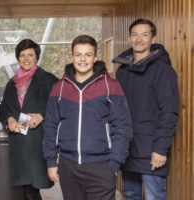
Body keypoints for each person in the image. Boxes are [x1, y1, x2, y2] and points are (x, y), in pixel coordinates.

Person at [43, 35, 133, 199]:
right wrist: (51, 161)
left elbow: (123, 126)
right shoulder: (59, 87)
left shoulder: (110, 85)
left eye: (88, 54)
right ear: (72, 57)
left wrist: (114, 164)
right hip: (68, 165)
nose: (82, 59)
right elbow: (50, 126)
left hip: (102, 166)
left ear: (95, 57)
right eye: (78, 54)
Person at [113, 18, 179, 200]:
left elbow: (169, 112)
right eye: (134, 34)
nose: (139, 39)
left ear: (153, 38)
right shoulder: (122, 72)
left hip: (152, 152)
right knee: (130, 194)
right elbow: (117, 111)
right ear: (129, 39)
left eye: (144, 34)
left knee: (153, 196)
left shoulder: (163, 71)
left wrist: (160, 149)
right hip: (128, 150)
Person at [0, 39, 58, 200]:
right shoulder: (12, 83)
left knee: (34, 188)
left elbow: (61, 106)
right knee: (27, 190)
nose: (26, 58)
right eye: (22, 55)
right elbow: (4, 107)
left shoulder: (49, 79)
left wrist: (42, 115)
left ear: (36, 56)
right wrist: (9, 119)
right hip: (19, 141)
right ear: (18, 58)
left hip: (38, 141)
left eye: (30, 54)